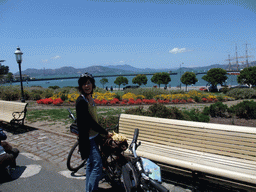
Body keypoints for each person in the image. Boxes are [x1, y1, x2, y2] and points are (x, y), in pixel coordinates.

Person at [76, 72, 112, 192]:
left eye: (89, 83)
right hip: (88, 139)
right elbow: (89, 122)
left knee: (91, 164)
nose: (87, 86)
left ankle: (88, 189)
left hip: (94, 136)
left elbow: (94, 118)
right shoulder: (81, 101)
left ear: (92, 84)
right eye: (84, 84)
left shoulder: (90, 99)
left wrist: (101, 131)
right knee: (97, 165)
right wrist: (105, 132)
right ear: (81, 86)